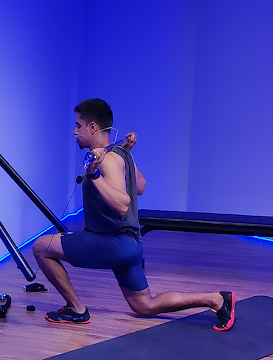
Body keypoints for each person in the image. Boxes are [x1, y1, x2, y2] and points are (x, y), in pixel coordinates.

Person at [32, 98, 235, 331]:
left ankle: (76, 309)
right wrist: (128, 156)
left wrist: (94, 173)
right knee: (144, 306)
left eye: (78, 125)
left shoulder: (106, 160)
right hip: (131, 244)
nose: (75, 131)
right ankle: (217, 299)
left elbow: (123, 205)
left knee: (41, 247)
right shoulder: (123, 153)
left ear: (93, 128)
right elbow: (141, 186)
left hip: (112, 242)